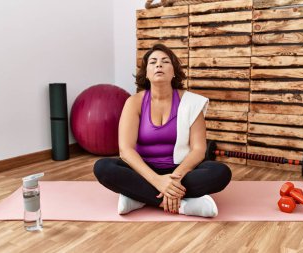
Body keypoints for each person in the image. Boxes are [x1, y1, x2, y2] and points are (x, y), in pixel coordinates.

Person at [93, 44, 231, 217]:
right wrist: (158, 181)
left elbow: (198, 150)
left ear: (174, 72)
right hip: (144, 171)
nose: (159, 65)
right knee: (103, 167)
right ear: (146, 73)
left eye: (165, 61)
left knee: (220, 172)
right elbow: (126, 150)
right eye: (153, 62)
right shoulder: (134, 102)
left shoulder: (190, 102)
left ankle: (138, 198)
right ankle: (184, 206)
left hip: (181, 170)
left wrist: (174, 179)